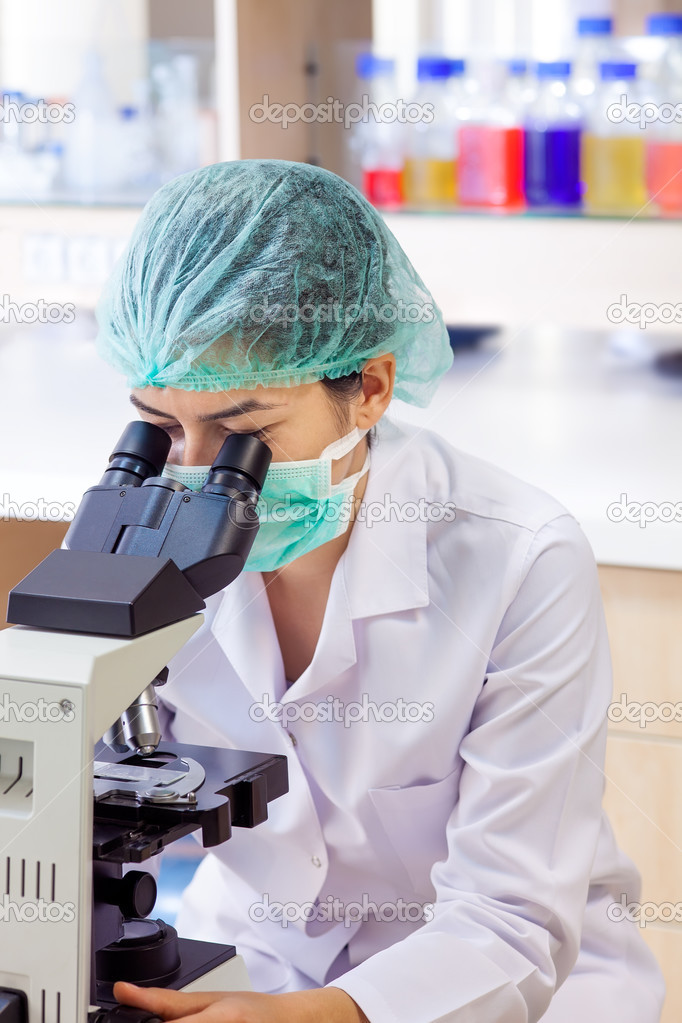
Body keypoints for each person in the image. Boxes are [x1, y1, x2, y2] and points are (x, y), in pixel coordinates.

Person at [95, 160, 665, 1023]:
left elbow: (510, 918)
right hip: (251, 959)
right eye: (164, 426)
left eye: (242, 434)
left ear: (368, 388)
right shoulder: (133, 521)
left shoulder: (519, 558)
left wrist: (307, 1017)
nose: (196, 476)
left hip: (499, 988)